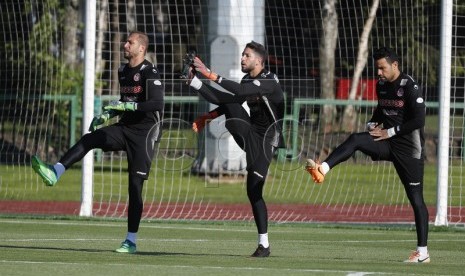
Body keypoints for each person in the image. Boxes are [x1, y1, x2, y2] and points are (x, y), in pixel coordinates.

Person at [31, 31, 164, 254]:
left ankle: (130, 240)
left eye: (130, 42)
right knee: (90, 138)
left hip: (145, 134)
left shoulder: (149, 72)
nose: (125, 45)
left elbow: (156, 103)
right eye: (125, 42)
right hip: (125, 128)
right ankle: (56, 171)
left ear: (141, 48)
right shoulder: (122, 70)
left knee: (134, 186)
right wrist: (107, 114)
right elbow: (124, 100)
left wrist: (129, 107)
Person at [306, 47, 430, 263]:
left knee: (416, 199)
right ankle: (323, 169)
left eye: (382, 68)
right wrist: (372, 122)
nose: (379, 73)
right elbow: (381, 110)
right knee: (356, 139)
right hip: (386, 142)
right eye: (377, 69)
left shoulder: (409, 86)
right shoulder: (381, 85)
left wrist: (389, 131)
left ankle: (423, 253)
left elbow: (419, 120)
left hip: (410, 150)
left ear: (395, 65)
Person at [187, 41, 285, 257]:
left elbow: (240, 90)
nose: (242, 58)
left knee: (254, 191)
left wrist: (210, 74)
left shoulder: (269, 81)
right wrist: (198, 87)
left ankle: (264, 245)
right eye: (242, 54)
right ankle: (192, 81)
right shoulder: (247, 79)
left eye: (246, 55)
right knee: (233, 108)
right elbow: (229, 101)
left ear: (258, 61)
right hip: (250, 135)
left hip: (266, 142)